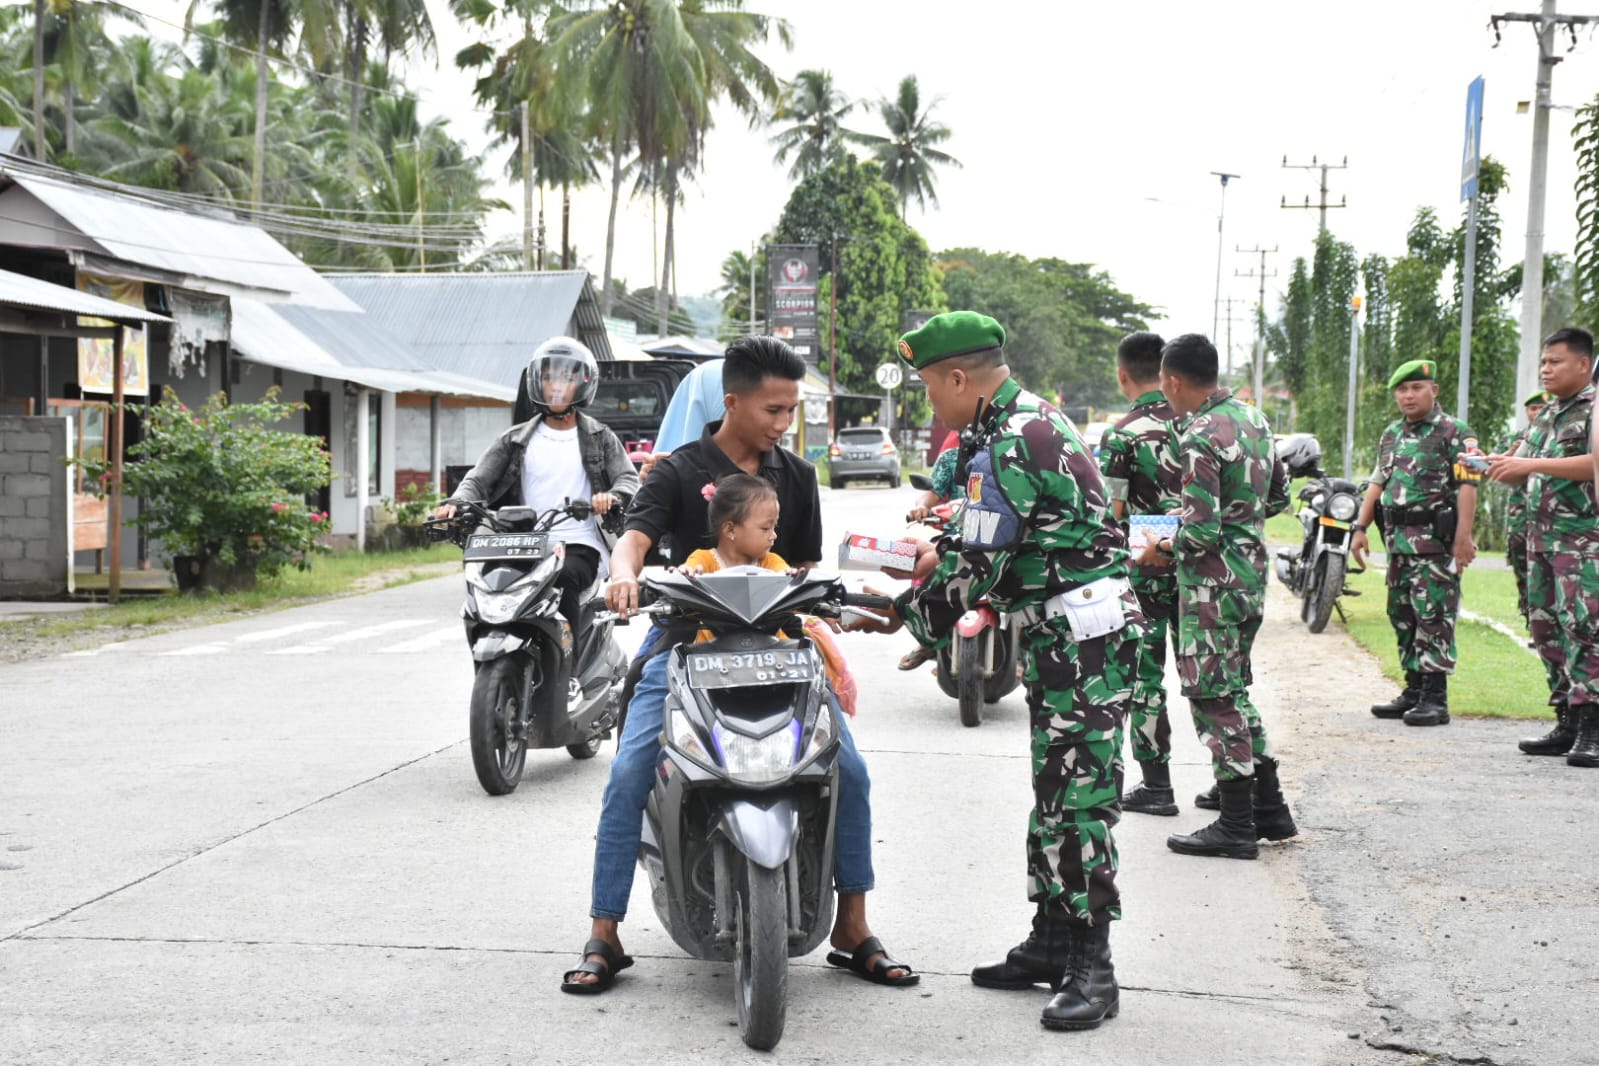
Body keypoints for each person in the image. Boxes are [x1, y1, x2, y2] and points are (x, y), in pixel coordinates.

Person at [561, 335, 916, 993]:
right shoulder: (674, 470)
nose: (784, 424)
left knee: (853, 774)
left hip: (780, 650)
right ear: (733, 401)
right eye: (773, 410)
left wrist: (839, 603)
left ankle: (852, 925)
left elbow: (799, 567)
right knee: (630, 772)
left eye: (791, 412)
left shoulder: (795, 476)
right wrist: (621, 577)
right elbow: (632, 541)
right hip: (681, 648)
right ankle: (603, 933)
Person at [854, 310, 1142, 1032]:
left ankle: (1091, 964)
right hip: (1062, 635)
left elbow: (978, 560)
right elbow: (982, 536)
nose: (930, 402)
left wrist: (906, 618)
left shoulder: (1012, 440)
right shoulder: (1011, 426)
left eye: (928, 388)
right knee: (1055, 789)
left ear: (959, 377)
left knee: (1078, 801)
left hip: (1085, 641)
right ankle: (1050, 940)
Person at [1133, 334, 1295, 860]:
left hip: (1208, 586)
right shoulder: (1255, 419)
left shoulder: (1199, 434)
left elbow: (1200, 533)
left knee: (1213, 699)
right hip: (1248, 577)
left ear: (1175, 381)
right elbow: (1278, 497)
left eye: (1163, 382)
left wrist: (1160, 544)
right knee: (1237, 690)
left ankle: (1235, 824)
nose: (1164, 391)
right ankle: (1270, 810)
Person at [437, 337, 638, 643]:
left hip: (578, 544)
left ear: (582, 384)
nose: (556, 385)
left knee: (564, 577)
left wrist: (612, 497)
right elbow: (477, 481)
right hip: (524, 543)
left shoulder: (600, 436)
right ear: (537, 382)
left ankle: (568, 669)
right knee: (488, 581)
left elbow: (628, 480)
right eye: (548, 377)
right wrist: (457, 503)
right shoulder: (514, 439)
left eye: (566, 377)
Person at [1487, 327, 1599, 765]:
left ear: (1583, 365)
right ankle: (1566, 719)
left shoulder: (1593, 409)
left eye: (1555, 361)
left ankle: (1592, 726)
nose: (1546, 369)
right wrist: (1491, 463)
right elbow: (1519, 467)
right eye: (1543, 362)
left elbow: (1593, 463)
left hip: (1582, 540)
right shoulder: (1549, 414)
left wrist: (1531, 463)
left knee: (1584, 628)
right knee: (1545, 626)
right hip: (1541, 541)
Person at [1351, 359, 1481, 727]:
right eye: (1402, 390)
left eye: (1416, 388)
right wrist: (1359, 528)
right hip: (1398, 543)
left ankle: (1435, 698)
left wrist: (1463, 538)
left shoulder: (1455, 431)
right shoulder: (1392, 433)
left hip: (1436, 545)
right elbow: (1378, 482)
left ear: (1433, 390)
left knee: (1434, 616)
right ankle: (1413, 689)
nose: (1408, 396)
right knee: (1402, 615)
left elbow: (1469, 485)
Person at [1098, 331, 1184, 818]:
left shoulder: (1123, 433)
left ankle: (1157, 784)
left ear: (1122, 374)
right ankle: (1230, 782)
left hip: (1145, 568)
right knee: (1212, 677)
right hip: (1199, 564)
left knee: (1145, 677)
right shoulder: (1197, 423)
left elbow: (1113, 511)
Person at [1502, 390, 1550, 624]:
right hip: (1520, 513)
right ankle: (1529, 613)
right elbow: (1499, 466)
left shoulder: (1554, 434)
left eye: (1541, 408)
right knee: (1521, 561)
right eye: (1533, 409)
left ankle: (1542, 618)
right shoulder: (1518, 438)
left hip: (1550, 515)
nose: (1537, 413)